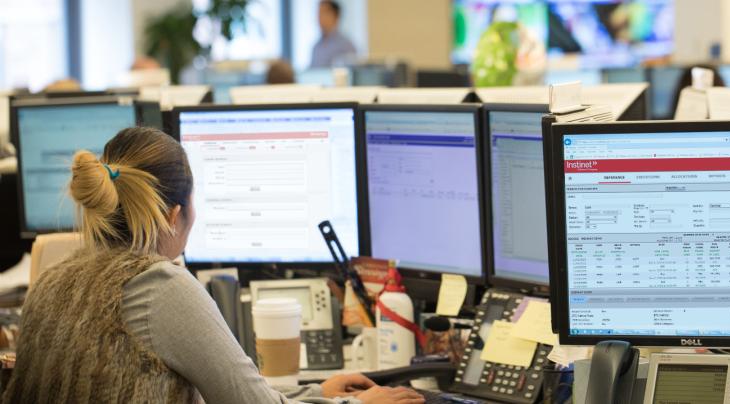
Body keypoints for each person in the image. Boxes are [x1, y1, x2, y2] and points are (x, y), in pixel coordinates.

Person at [2, 127, 424, 404]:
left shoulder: (51, 281)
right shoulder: (159, 286)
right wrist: (356, 403)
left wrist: (318, 394)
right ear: (173, 215)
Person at [311, 0, 357, 68]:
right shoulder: (316, 47)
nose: (319, 17)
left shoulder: (346, 46)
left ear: (336, 16)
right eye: (318, 13)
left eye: (323, 13)